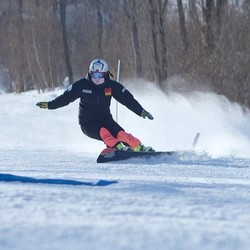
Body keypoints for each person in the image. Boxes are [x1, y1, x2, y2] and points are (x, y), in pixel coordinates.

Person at [36, 59, 154, 151]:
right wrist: (50, 105)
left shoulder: (111, 86)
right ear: (90, 73)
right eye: (93, 75)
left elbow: (127, 99)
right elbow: (66, 98)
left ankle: (139, 148)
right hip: (88, 123)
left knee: (121, 134)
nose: (96, 79)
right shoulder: (82, 85)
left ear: (106, 74)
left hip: (106, 119)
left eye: (99, 76)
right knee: (104, 133)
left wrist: (140, 111)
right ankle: (117, 148)